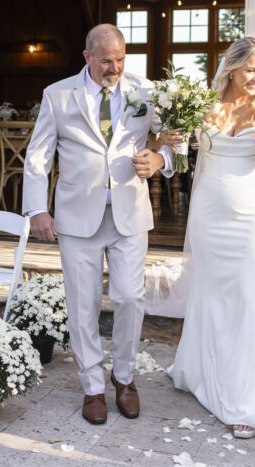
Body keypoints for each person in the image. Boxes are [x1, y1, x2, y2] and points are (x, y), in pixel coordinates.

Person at [22, 23, 174, 425]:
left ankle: (124, 378)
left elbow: (175, 138)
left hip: (129, 213)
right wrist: (37, 210)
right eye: (106, 60)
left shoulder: (145, 91)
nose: (115, 68)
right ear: (87, 57)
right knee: (82, 304)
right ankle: (92, 386)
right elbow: (38, 157)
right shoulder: (58, 95)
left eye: (121, 59)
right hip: (77, 217)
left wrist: (160, 159)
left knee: (130, 297)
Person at [165, 36, 255, 439]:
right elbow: (180, 154)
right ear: (232, 68)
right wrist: (171, 137)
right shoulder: (204, 105)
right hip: (209, 215)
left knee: (246, 298)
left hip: (253, 218)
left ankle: (247, 399)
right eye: (250, 69)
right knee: (209, 293)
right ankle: (200, 371)